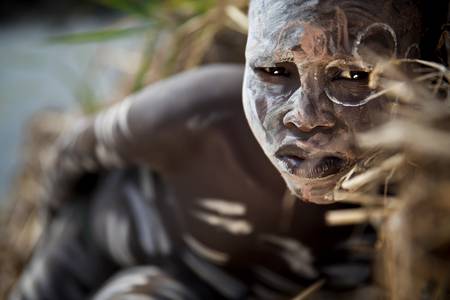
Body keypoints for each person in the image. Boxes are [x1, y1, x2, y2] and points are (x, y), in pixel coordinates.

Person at [10, 0, 448, 299]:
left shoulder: (422, 195)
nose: (306, 115)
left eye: (352, 77)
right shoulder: (198, 116)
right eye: (274, 71)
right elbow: (71, 153)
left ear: (428, 69)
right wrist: (44, 253)